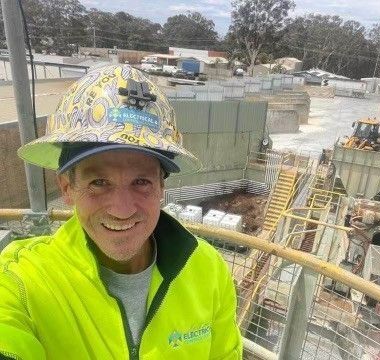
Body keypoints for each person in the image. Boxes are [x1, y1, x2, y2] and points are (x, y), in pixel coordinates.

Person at [0, 65, 242, 359]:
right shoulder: (21, 280)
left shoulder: (207, 269)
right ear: (67, 188)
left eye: (141, 182)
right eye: (99, 182)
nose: (123, 210)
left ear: (161, 188)